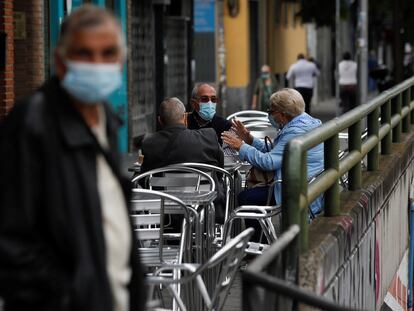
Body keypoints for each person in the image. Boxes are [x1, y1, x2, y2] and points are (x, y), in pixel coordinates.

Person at [0, 5, 145, 311]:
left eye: (108, 53)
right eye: (84, 53)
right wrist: (66, 297)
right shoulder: (33, 122)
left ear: (120, 61)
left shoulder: (106, 118)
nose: (97, 64)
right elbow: (12, 238)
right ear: (61, 61)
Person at [222, 88, 324, 216]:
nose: (269, 115)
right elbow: (277, 152)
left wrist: (241, 146)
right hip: (308, 184)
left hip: (296, 190)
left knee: (246, 198)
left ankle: (256, 236)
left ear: (282, 114)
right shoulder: (306, 122)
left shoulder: (295, 132)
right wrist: (250, 139)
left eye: (271, 111)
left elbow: (269, 162)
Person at [141, 97, 226, 220]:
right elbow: (219, 171)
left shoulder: (150, 144)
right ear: (185, 117)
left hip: (163, 213)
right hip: (204, 211)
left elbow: (144, 180)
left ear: (160, 120)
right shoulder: (208, 137)